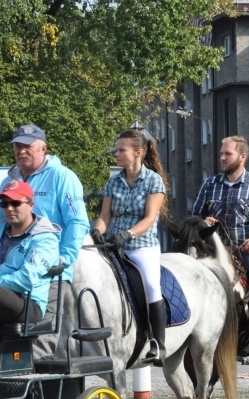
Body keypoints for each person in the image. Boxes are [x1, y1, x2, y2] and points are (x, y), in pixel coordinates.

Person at [191, 135, 249, 357]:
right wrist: (202, 222)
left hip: (246, 252)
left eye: (228, 154)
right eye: (221, 154)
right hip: (213, 252)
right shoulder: (209, 185)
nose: (222, 158)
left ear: (242, 157)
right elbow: (194, 216)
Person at [3, 124, 90, 348]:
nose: (21, 150)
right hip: (13, 263)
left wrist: (64, 259)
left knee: (42, 341)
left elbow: (77, 221)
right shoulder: (9, 180)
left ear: (43, 148)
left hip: (49, 269)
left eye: (27, 146)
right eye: (17, 146)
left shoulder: (62, 177)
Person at [91, 129, 168, 365]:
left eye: (121, 150)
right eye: (116, 149)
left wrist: (128, 234)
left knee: (151, 285)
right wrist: (96, 231)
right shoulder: (114, 181)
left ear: (138, 152)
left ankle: (158, 344)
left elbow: (149, 218)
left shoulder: (153, 180)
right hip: (113, 244)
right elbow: (105, 216)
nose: (116, 154)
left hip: (141, 245)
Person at [0, 180, 61, 325]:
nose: (9, 208)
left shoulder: (46, 239)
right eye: (4, 203)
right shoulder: (2, 227)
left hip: (28, 303)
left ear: (31, 205)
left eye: (15, 203)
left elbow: (26, 280)